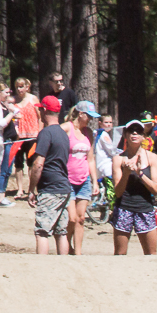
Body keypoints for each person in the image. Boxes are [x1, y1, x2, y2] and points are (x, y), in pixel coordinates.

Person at [26, 96, 72, 255]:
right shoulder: (63, 133)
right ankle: (63, 265)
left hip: (50, 189)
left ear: (44, 110)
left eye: (40, 109)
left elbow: (38, 164)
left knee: (42, 231)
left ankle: (42, 267)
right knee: (61, 231)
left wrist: (31, 190)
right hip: (64, 187)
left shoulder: (46, 133)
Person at [110, 119, 157, 255]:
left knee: (151, 254)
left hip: (145, 209)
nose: (134, 133)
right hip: (124, 209)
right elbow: (118, 192)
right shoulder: (118, 159)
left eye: (138, 131)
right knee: (120, 254)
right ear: (125, 135)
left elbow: (156, 190)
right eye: (131, 131)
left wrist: (140, 174)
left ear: (143, 136)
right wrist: (126, 173)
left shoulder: (152, 158)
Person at [63, 101, 100, 255]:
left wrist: (95, 181)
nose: (90, 120)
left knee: (81, 218)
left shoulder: (88, 133)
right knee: (71, 218)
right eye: (89, 116)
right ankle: (66, 246)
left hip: (83, 180)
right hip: (67, 179)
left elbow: (90, 159)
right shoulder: (66, 128)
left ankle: (77, 252)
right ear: (81, 114)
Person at [10, 77, 42, 198]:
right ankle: (20, 189)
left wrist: (40, 132)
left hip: (32, 135)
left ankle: (31, 188)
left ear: (27, 87)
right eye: (17, 87)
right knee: (18, 163)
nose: (19, 89)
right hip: (19, 136)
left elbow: (39, 116)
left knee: (31, 163)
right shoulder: (14, 101)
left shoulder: (33, 99)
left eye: (21, 86)